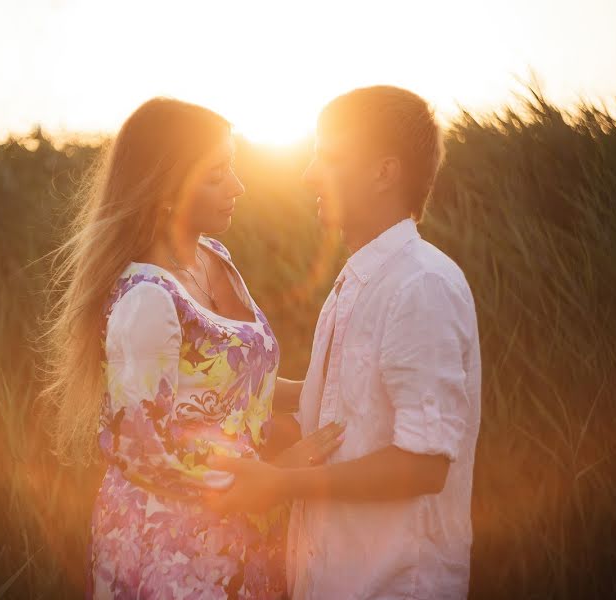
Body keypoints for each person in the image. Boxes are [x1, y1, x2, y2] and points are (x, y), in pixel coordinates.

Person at [39, 96, 344, 599]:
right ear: (167, 186)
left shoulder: (212, 257)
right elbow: (143, 447)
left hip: (243, 527)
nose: (238, 186)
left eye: (234, 169)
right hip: (172, 549)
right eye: (217, 174)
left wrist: (333, 392)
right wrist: (277, 474)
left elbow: (241, 385)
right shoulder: (147, 300)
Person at [204, 86, 483, 600]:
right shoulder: (357, 283)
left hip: (393, 584)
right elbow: (335, 407)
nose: (310, 173)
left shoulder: (419, 286)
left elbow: (424, 465)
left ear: (384, 171)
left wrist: (280, 485)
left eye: (329, 157)